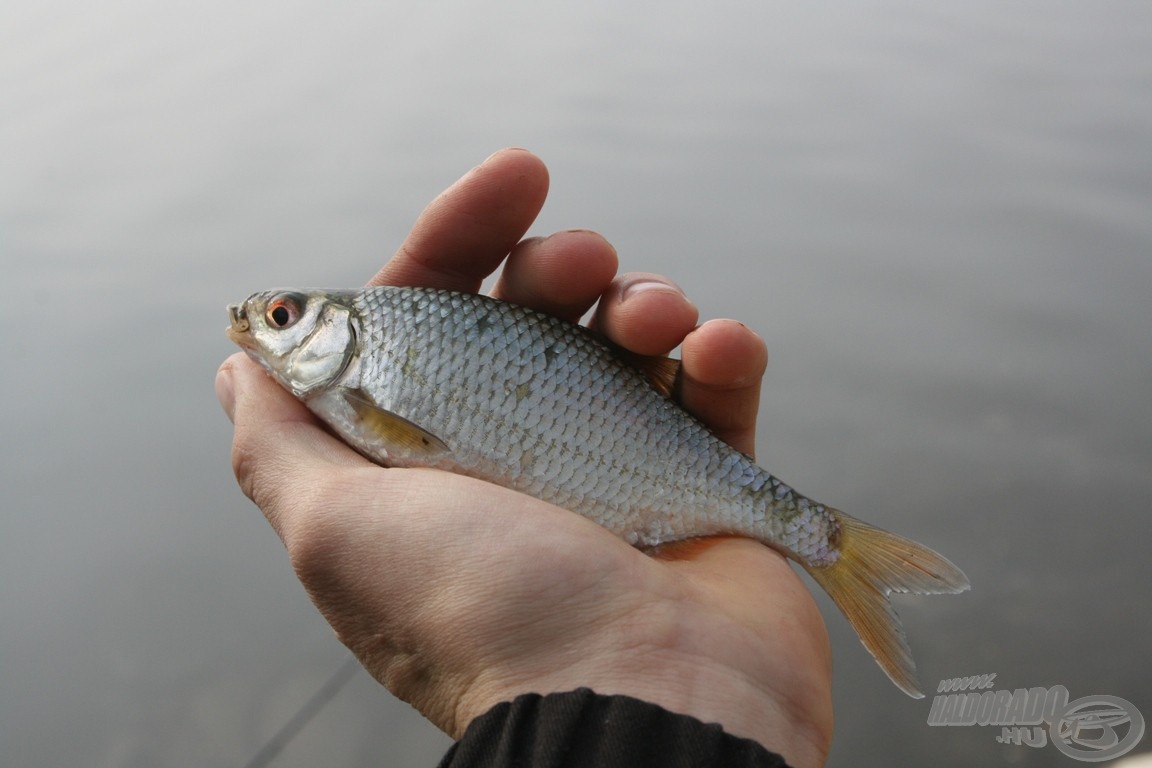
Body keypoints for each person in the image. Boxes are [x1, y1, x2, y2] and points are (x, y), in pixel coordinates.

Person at [216, 149, 834, 768]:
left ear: (337, 334)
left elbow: (414, 443)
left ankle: (826, 541)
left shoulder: (353, 378)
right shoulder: (351, 376)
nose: (263, 327)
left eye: (280, 317)